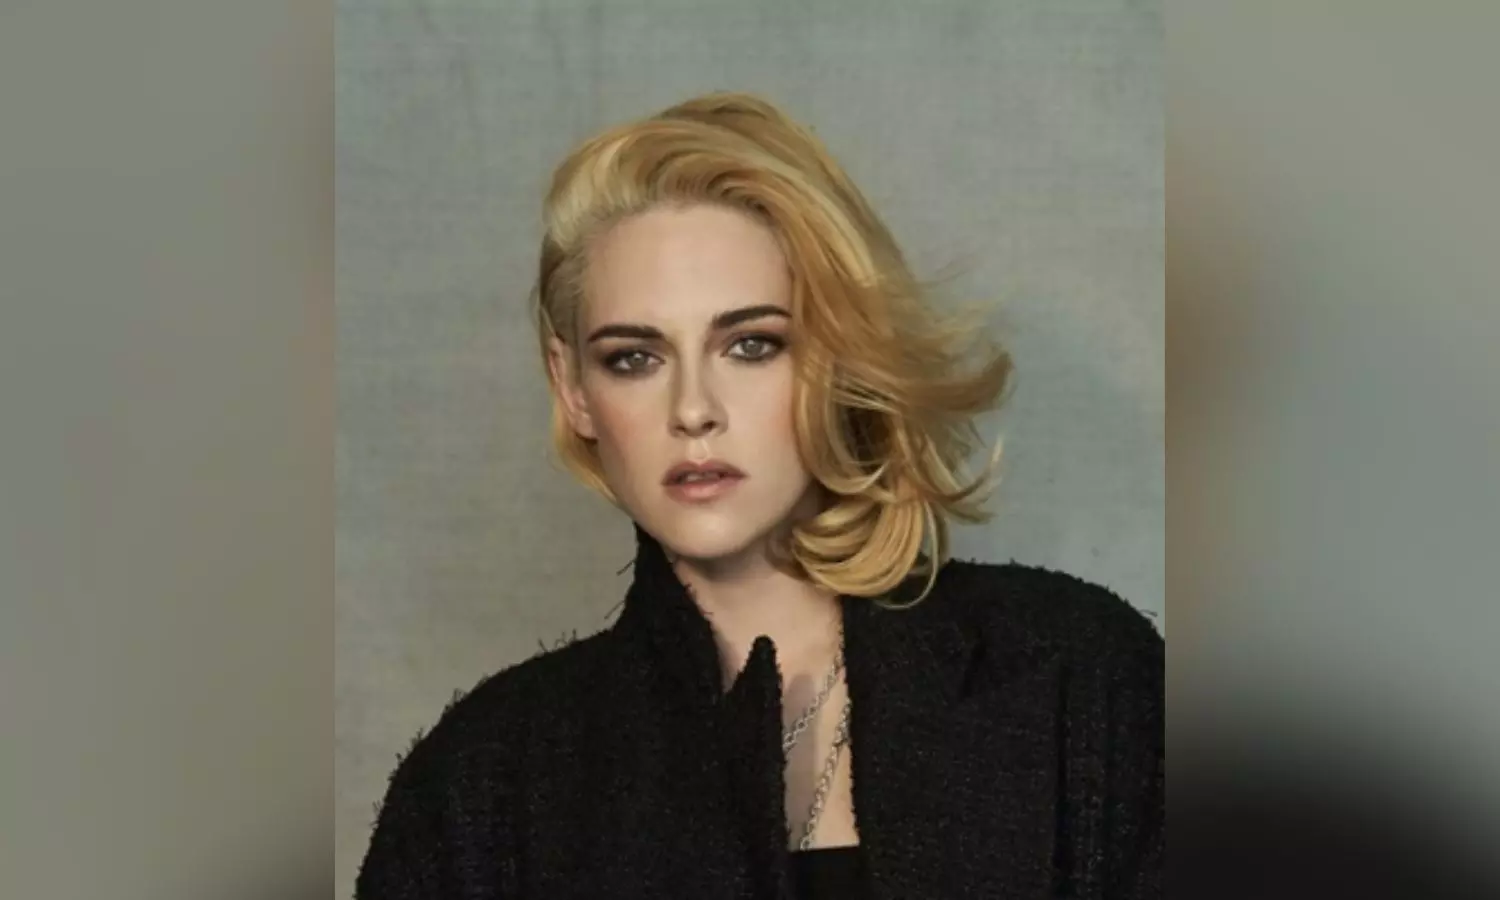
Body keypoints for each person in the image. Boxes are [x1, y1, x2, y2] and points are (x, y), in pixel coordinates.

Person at [356, 91, 1163, 900]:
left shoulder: (1079, 678)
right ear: (573, 389)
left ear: (841, 359)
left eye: (751, 345)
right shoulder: (483, 785)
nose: (693, 409)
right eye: (634, 358)